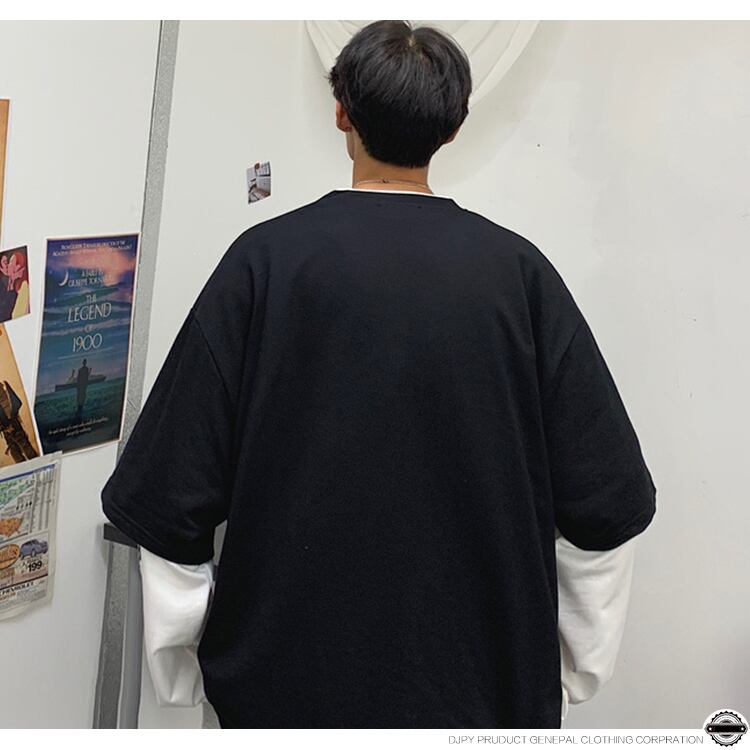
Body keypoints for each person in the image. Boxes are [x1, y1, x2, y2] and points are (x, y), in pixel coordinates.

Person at [101, 20, 656, 729]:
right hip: (481, 695)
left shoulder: (263, 265)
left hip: (284, 691)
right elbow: (608, 502)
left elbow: (168, 494)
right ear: (453, 128)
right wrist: (567, 669)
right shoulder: (520, 277)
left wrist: (189, 667)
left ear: (342, 113)